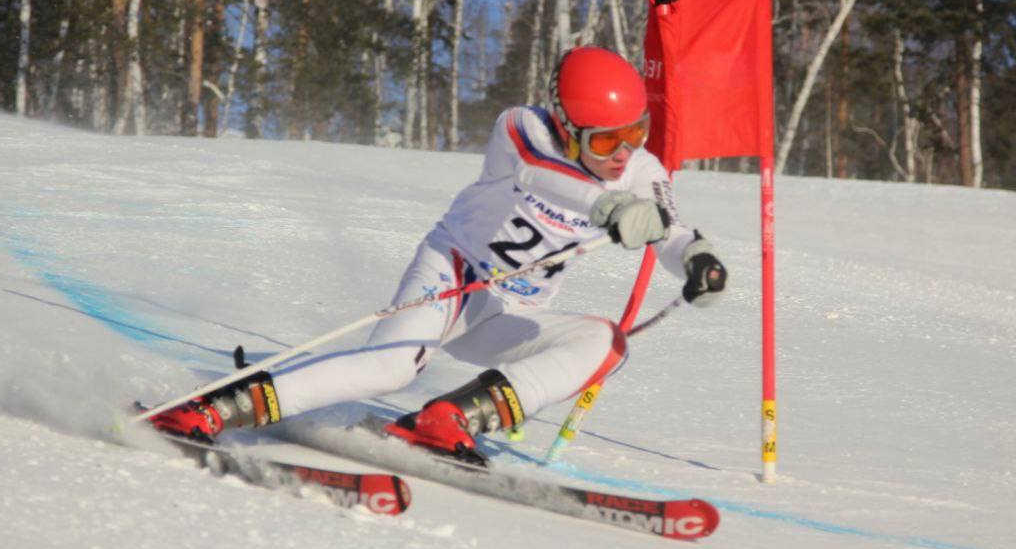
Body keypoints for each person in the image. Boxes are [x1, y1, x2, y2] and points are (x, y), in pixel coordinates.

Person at [148, 46, 727, 463]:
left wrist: (697, 257)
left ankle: (451, 418)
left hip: (505, 314)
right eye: (605, 140)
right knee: (390, 368)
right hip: (454, 275)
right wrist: (607, 208)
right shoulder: (523, 129)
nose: (624, 152)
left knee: (605, 342)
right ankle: (215, 407)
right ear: (568, 127)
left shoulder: (641, 169)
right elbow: (544, 175)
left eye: (637, 132)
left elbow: (668, 228)